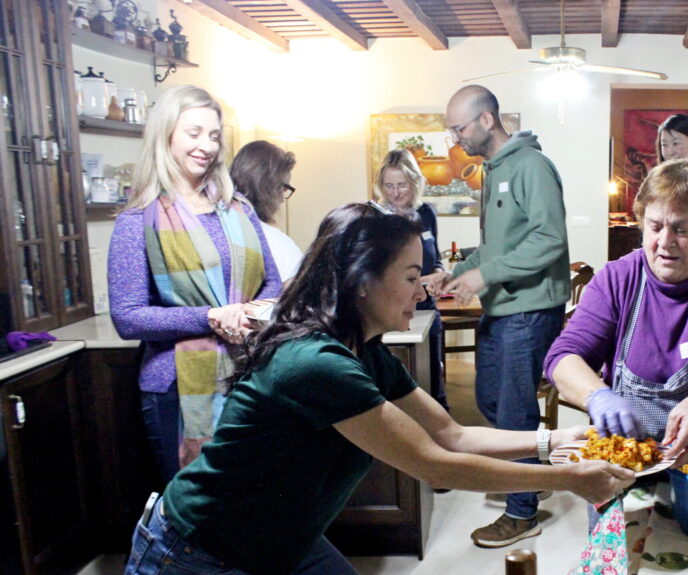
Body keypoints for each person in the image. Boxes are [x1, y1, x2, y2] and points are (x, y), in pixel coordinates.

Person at [123, 204, 635, 575]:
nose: (423, 289)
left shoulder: (363, 350)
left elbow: (453, 436)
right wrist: (571, 480)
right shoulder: (315, 363)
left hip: (284, 541)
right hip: (197, 551)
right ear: (361, 280)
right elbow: (436, 465)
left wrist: (556, 444)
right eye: (411, 276)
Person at [545, 158, 688, 467]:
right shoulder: (618, 279)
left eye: (681, 229)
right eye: (654, 227)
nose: (664, 242)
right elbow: (563, 357)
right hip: (627, 461)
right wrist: (596, 396)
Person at [109, 85, 282, 484]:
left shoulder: (239, 208)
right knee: (199, 505)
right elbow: (128, 318)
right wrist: (210, 317)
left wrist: (247, 314)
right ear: (165, 134)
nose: (206, 145)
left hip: (249, 372)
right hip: (176, 388)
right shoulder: (138, 220)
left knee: (256, 495)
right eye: (194, 132)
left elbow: (272, 281)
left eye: (214, 135)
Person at [424, 84, 570, 548]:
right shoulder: (494, 170)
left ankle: (522, 512)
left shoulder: (532, 166)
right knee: (490, 401)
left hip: (529, 313)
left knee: (512, 414)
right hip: (504, 311)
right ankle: (532, 474)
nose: (455, 137)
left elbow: (549, 240)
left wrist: (485, 275)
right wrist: (452, 274)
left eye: (459, 127)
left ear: (487, 120)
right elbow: (494, 248)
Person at [373, 149, 448, 410]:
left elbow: (435, 256)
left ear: (414, 183)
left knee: (432, 381)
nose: (395, 193)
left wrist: (438, 272)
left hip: (426, 308)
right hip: (390, 313)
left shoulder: (426, 214)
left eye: (402, 185)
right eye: (388, 186)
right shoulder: (375, 217)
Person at [230, 140, 303, 285]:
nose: (283, 198)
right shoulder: (281, 246)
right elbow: (294, 303)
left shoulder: (202, 228)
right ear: (268, 187)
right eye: (284, 188)